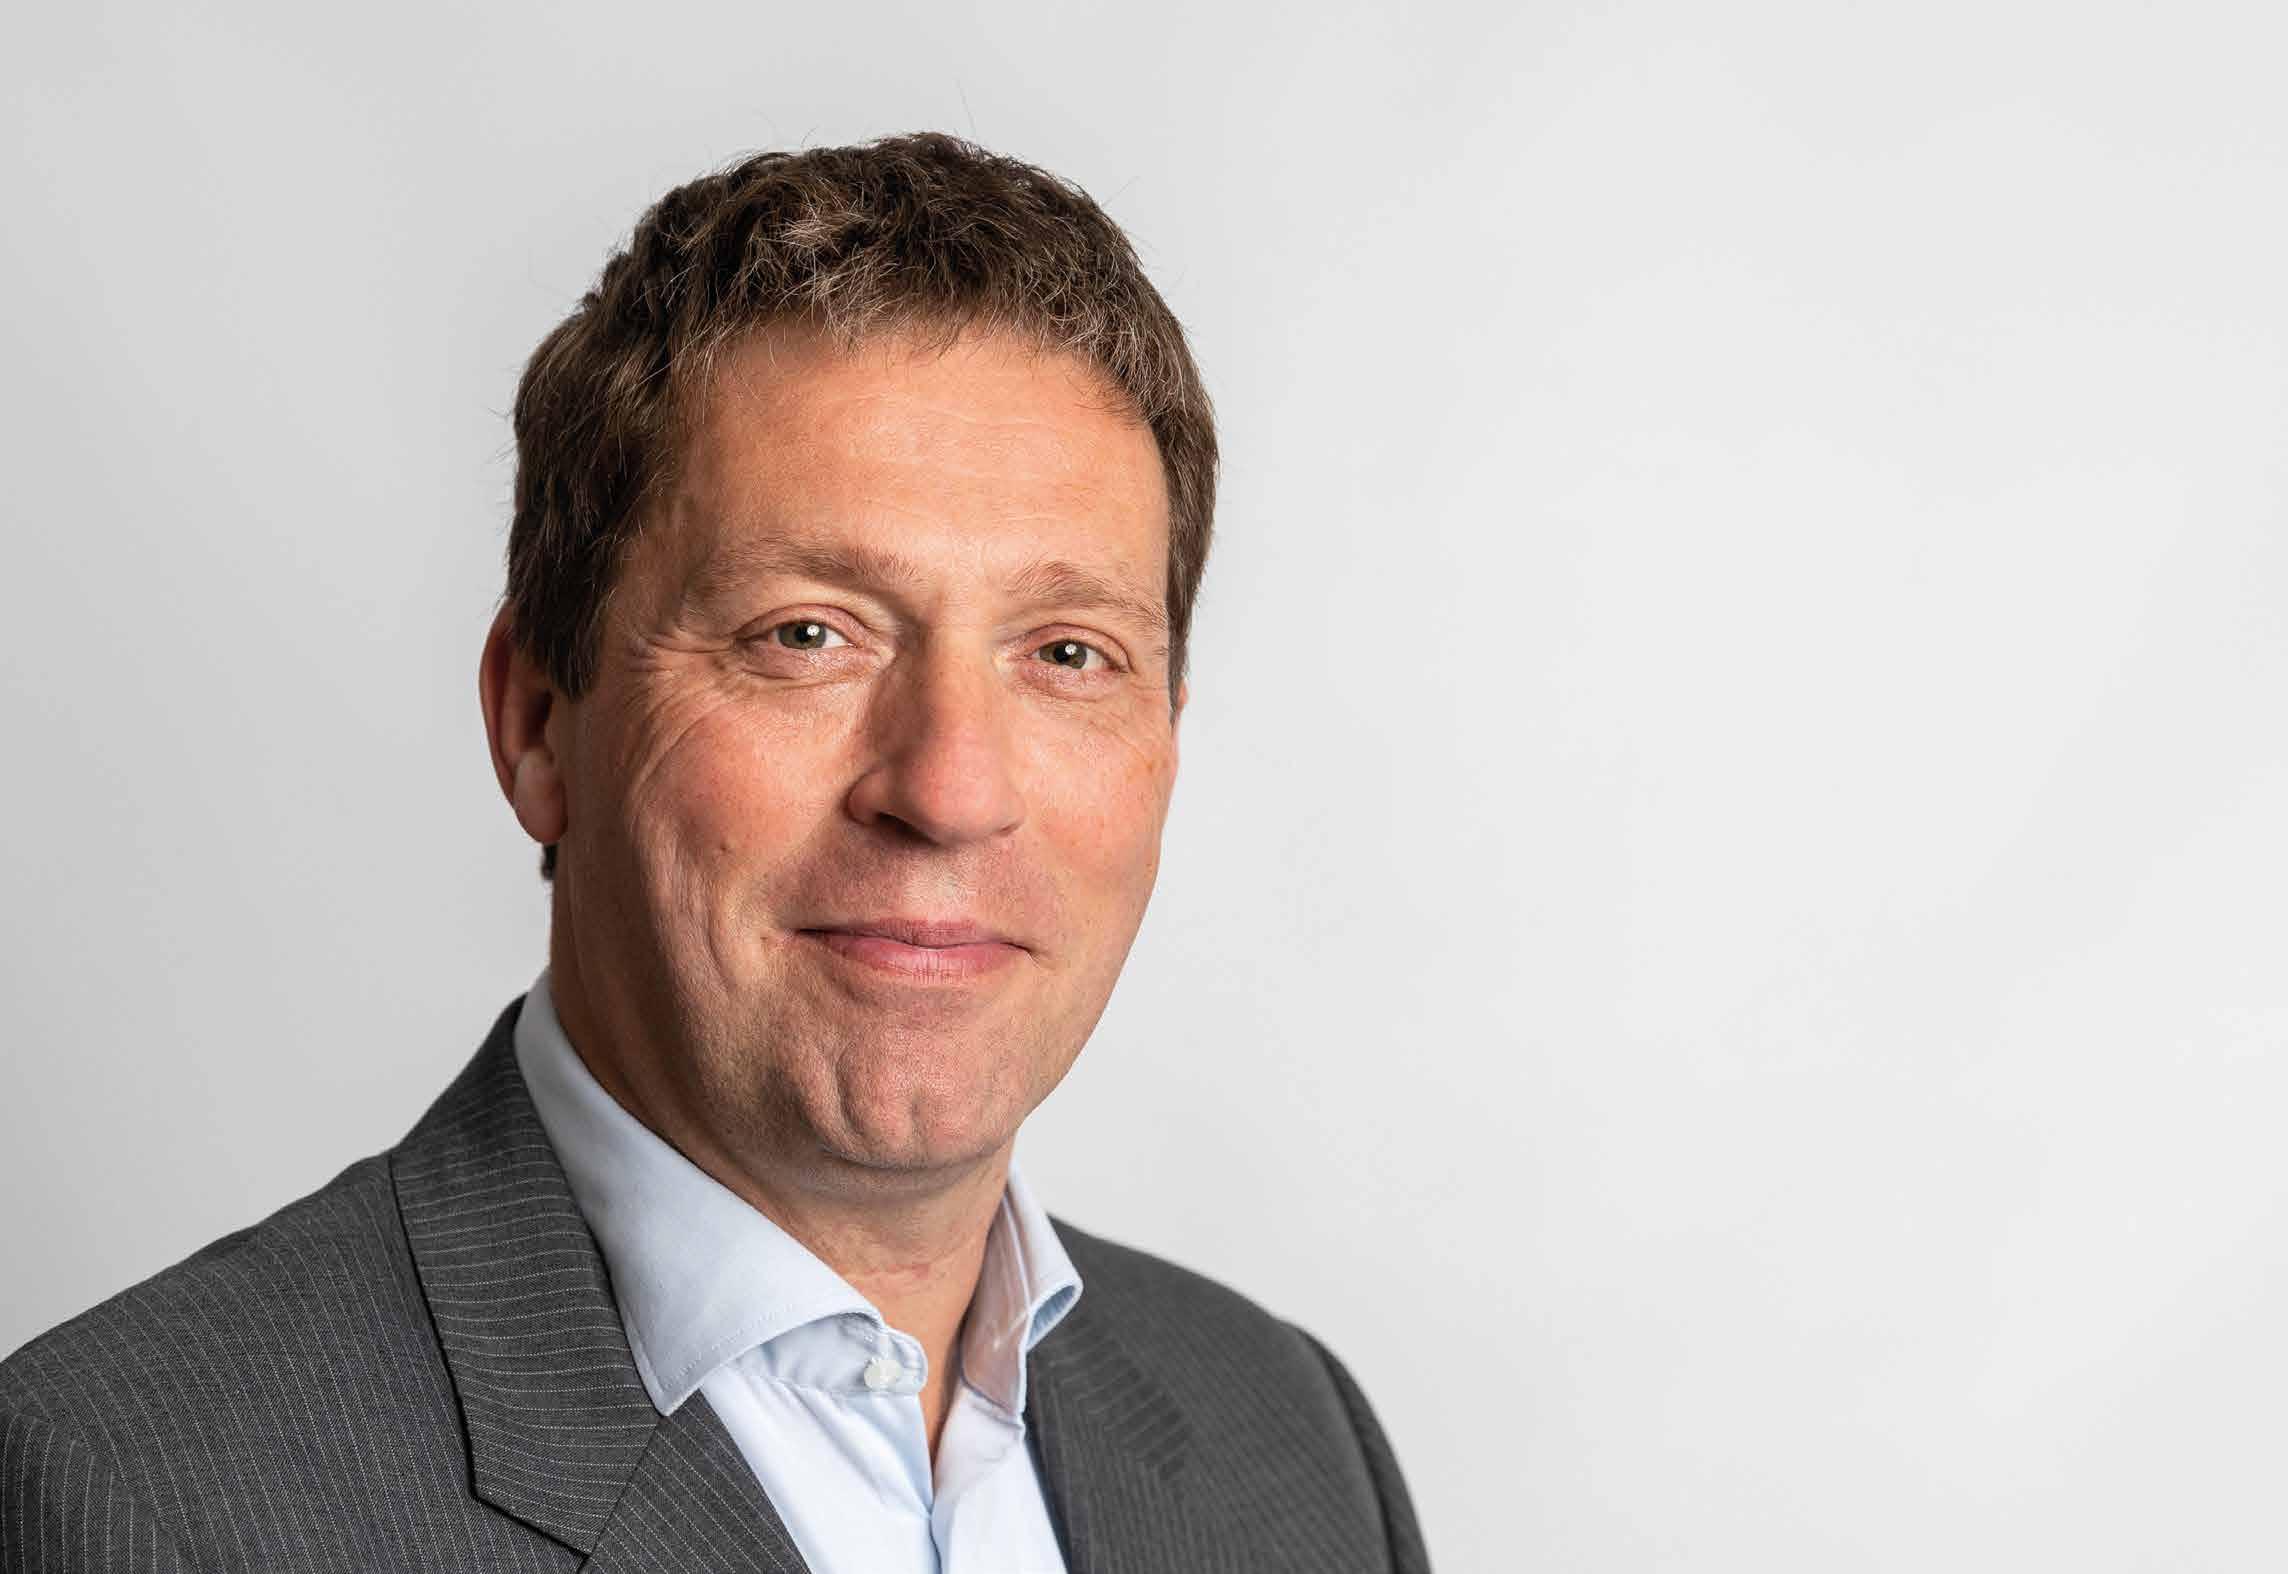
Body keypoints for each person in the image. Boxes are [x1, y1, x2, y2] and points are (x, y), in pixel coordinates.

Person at [0, 134, 1428, 1574]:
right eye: (805, 634)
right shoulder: (130, 1501)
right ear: (538, 722)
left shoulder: (1295, 1446)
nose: (949, 788)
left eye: (1067, 652)